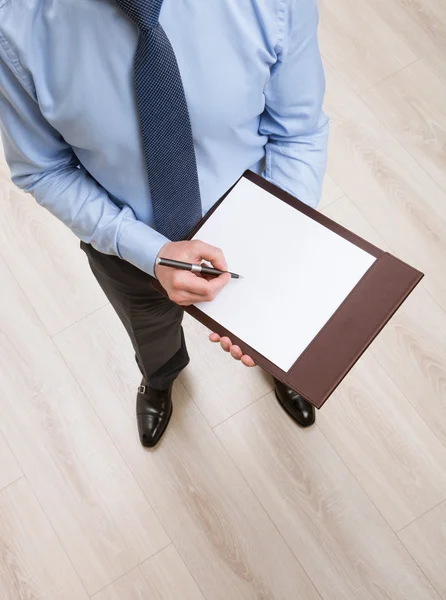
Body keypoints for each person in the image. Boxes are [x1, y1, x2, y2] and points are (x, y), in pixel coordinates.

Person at [0, 0, 329, 447]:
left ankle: (280, 367)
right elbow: (41, 168)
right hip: (128, 249)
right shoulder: (14, 26)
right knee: (151, 336)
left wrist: (274, 244)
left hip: (257, 227)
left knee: (271, 328)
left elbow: (297, 131)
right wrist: (145, 251)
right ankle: (160, 378)